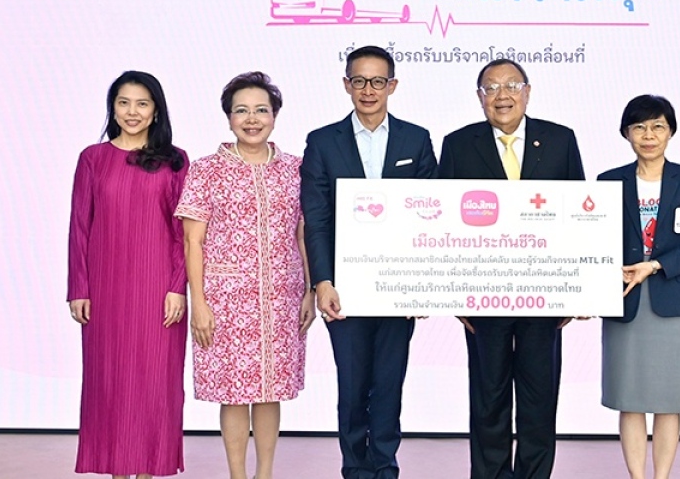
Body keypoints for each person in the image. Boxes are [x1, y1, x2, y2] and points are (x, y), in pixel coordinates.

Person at [437, 58, 585, 479]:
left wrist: (575, 293)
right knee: (489, 400)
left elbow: (580, 217)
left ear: (528, 92)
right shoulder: (458, 144)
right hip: (482, 296)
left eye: (512, 86)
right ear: (479, 97)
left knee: (539, 400)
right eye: (491, 88)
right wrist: (455, 296)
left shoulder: (559, 140)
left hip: (545, 296)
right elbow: (443, 223)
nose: (502, 95)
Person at [300, 45, 437, 479]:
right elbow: (316, 218)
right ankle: (355, 468)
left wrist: (422, 284)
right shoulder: (323, 142)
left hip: (399, 286)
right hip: (344, 288)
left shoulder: (416, 140)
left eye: (378, 81)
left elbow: (431, 215)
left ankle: (385, 465)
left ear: (392, 85)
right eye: (359, 80)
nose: (368, 90)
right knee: (353, 384)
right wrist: (322, 281)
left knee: (390, 382)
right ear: (347, 84)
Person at [175, 72, 316, 479]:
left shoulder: (296, 169)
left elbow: (303, 233)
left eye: (261, 110)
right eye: (242, 111)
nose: (252, 119)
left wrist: (309, 290)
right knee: (234, 392)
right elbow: (192, 241)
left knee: (271, 389)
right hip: (226, 301)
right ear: (228, 118)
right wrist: (199, 304)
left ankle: (264, 474)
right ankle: (237, 475)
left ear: (274, 116)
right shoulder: (206, 170)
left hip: (282, 297)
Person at [68, 71, 190, 479]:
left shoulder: (176, 160)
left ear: (156, 110)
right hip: (106, 292)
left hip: (159, 291)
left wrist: (177, 287)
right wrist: (78, 288)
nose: (132, 112)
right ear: (113, 108)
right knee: (111, 384)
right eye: (123, 102)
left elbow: (183, 232)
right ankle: (118, 471)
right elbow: (80, 226)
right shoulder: (93, 158)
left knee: (155, 384)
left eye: (142, 103)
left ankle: (148, 471)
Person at [598, 95, 680, 479]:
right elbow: (594, 241)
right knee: (629, 398)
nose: (648, 135)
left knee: (670, 400)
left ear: (670, 132)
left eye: (657, 127)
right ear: (626, 134)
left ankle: (662, 476)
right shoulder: (608, 181)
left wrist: (655, 265)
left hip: (677, 300)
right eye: (639, 127)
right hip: (625, 299)